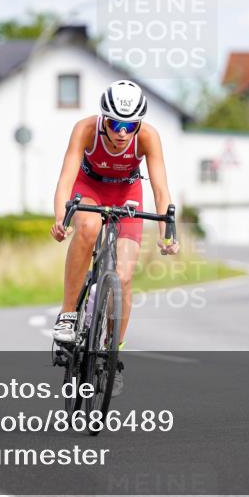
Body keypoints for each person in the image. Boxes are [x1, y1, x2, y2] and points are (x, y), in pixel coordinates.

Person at [50, 80, 180, 391]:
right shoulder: (85, 129)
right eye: (115, 123)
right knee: (89, 228)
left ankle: (112, 354)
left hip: (127, 193)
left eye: (130, 125)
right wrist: (60, 218)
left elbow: (160, 189)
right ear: (104, 120)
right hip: (89, 187)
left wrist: (167, 234)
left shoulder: (148, 137)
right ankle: (69, 315)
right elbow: (66, 178)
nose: (122, 133)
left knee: (123, 276)